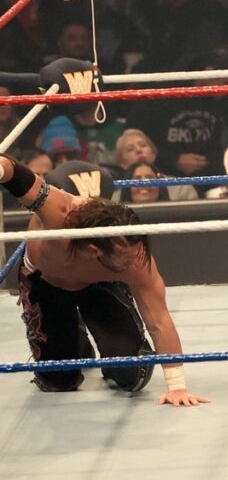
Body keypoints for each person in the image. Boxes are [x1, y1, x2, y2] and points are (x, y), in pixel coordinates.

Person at [0, 152, 207, 406]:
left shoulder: (136, 255)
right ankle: (75, 336)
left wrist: (177, 387)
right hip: (46, 283)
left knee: (134, 373)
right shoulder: (60, 214)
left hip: (99, 286)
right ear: (94, 250)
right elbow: (16, 173)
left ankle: (104, 340)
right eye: (125, 259)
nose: (133, 263)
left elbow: (159, 319)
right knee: (59, 382)